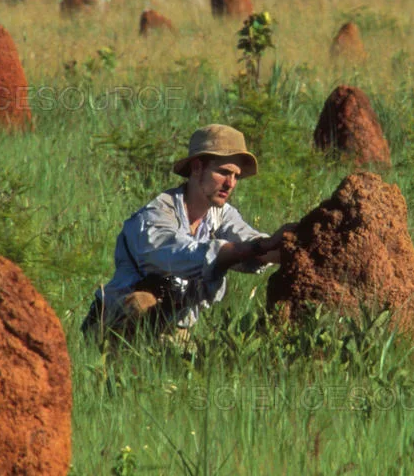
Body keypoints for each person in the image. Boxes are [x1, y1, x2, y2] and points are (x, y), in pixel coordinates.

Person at [83, 124, 295, 341]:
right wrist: (258, 247)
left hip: (170, 326)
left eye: (236, 176)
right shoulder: (156, 215)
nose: (230, 183)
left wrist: (288, 246)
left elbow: (250, 243)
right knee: (141, 302)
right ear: (196, 168)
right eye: (223, 172)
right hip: (113, 326)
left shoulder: (220, 213)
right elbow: (183, 255)